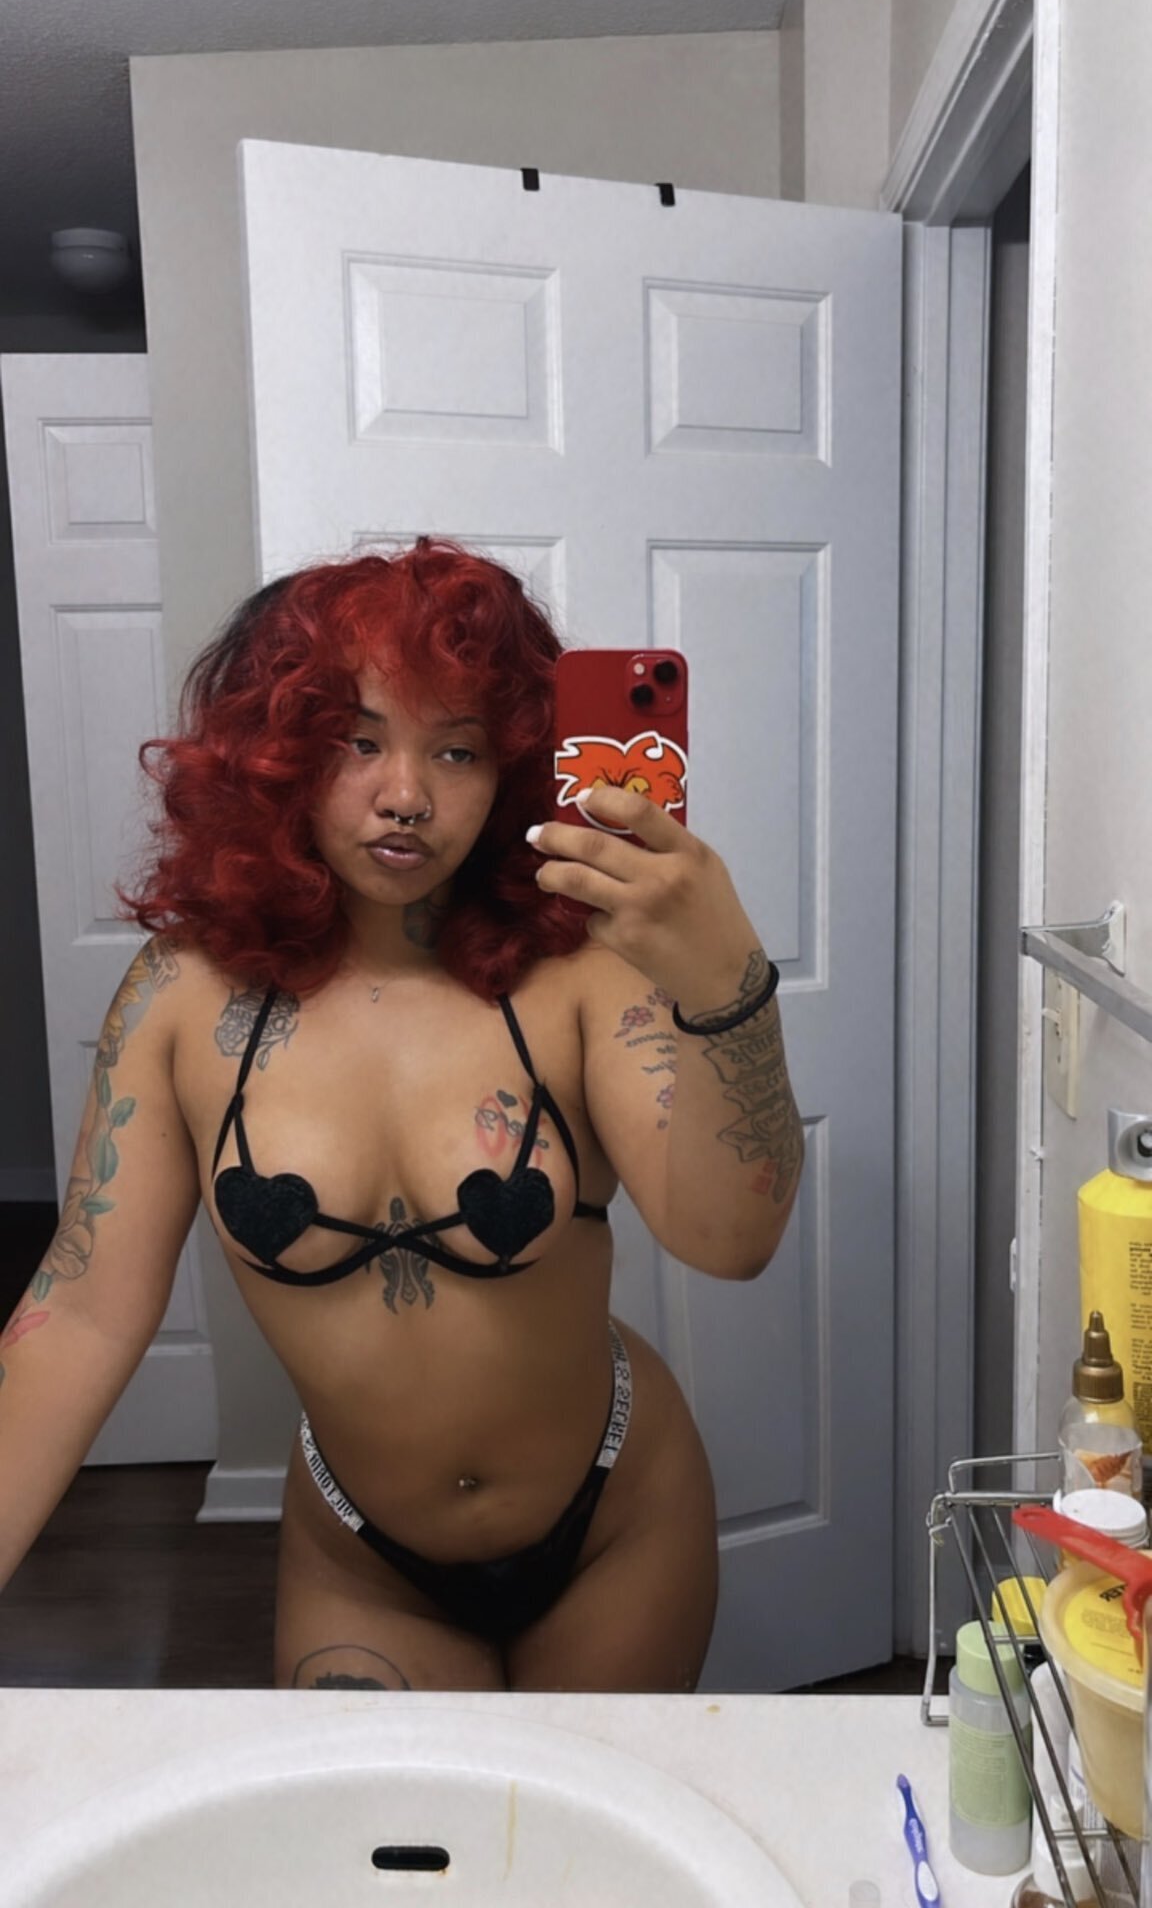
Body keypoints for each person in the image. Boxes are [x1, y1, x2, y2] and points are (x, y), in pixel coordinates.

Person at [0, 537, 804, 1691]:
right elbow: (79, 1315)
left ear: (510, 768)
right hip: (365, 1560)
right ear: (277, 753)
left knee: (585, 1816)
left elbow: (732, 1239)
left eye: (458, 748)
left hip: (618, 1523)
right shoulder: (182, 998)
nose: (408, 794)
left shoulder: (581, 973)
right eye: (357, 740)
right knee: (383, 1820)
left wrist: (726, 984)